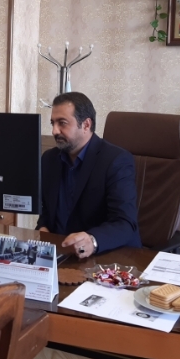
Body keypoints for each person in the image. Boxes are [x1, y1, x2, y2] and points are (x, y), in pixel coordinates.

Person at [36, 92, 141, 258]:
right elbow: (47, 213)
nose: (54, 131)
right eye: (53, 123)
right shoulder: (49, 159)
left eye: (62, 123)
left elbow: (125, 223)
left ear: (86, 125)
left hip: (109, 256)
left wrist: (93, 241)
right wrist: (43, 229)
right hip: (61, 255)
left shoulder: (116, 161)